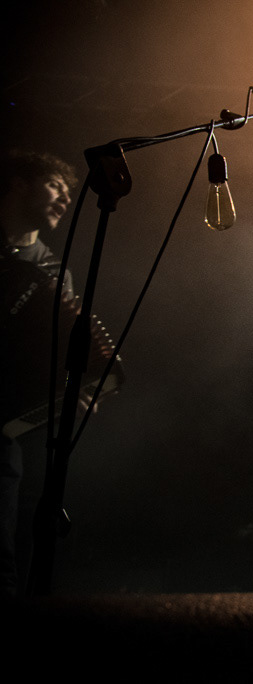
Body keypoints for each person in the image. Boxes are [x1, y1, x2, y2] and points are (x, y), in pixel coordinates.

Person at [0, 149, 77, 598]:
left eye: (68, 193)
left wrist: (76, 388)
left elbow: (58, 355)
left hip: (6, 432)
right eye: (54, 186)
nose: (65, 199)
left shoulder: (53, 272)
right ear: (18, 185)